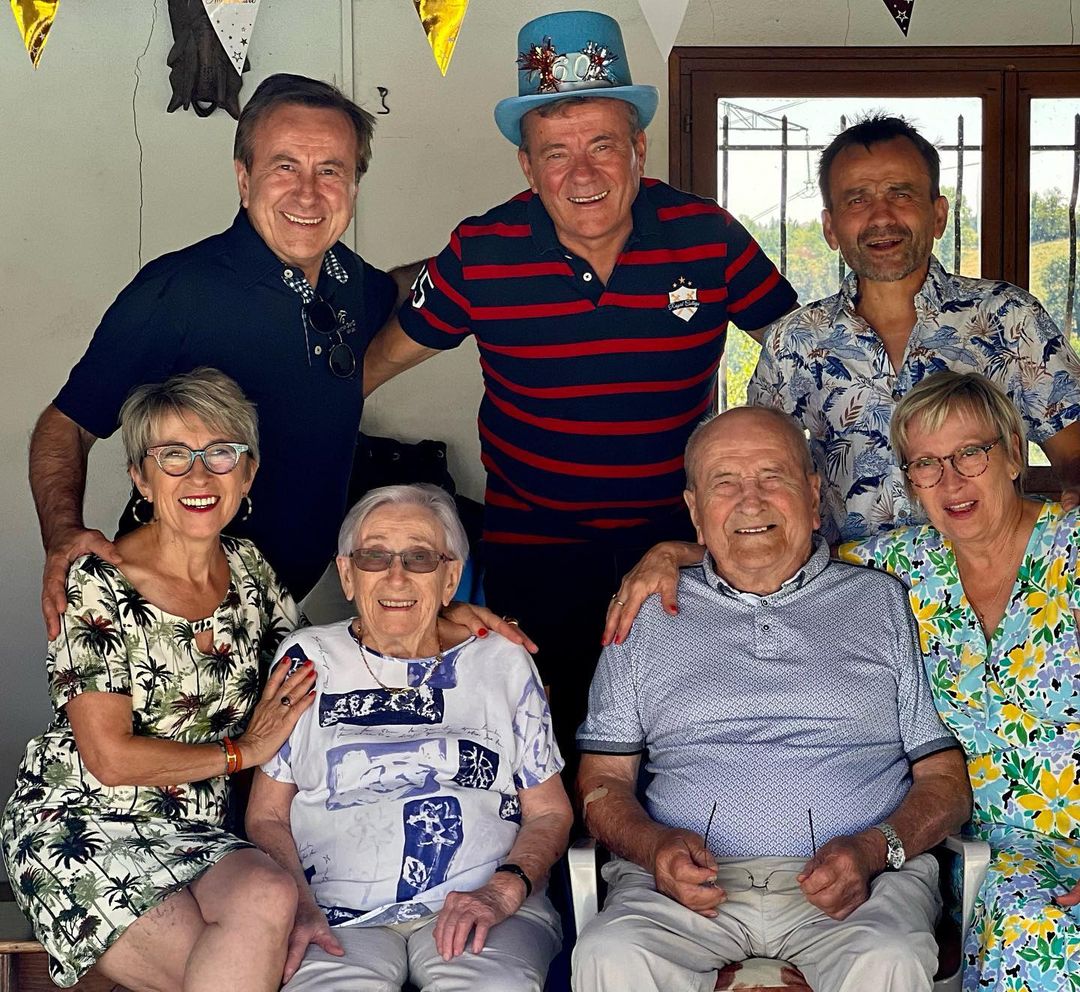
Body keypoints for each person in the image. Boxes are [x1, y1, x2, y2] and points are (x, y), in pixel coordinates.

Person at [363, 11, 797, 762]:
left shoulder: (708, 236)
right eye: (555, 153)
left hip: (678, 543)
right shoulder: (483, 251)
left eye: (602, 145)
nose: (582, 174)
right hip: (537, 548)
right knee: (550, 745)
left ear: (639, 148)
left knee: (682, 744)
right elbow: (374, 367)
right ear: (527, 167)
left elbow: (810, 357)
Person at [571, 405, 972, 992]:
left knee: (890, 956)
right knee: (610, 953)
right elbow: (603, 776)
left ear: (812, 497)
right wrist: (653, 847)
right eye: (725, 483)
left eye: (772, 477)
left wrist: (872, 850)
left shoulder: (883, 601)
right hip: (682, 893)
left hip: (861, 887)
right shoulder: (645, 614)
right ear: (695, 512)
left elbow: (945, 780)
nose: (751, 501)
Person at [2, 368, 317, 991]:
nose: (199, 477)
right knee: (240, 969)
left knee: (269, 892)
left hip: (200, 830)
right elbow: (110, 758)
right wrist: (244, 751)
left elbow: (323, 664)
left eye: (221, 453)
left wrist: (441, 623)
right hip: (81, 824)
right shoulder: (98, 581)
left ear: (248, 473)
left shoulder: (250, 571)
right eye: (173, 455)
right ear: (141, 479)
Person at [245, 483, 572, 992]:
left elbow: (550, 812)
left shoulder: (502, 662)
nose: (396, 576)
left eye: (419, 558)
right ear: (347, 575)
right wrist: (300, 907)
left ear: (450, 578)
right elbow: (266, 815)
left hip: (482, 903)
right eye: (374, 556)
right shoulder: (308, 659)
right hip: (333, 915)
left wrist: (502, 891)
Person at [838, 371, 1080, 992]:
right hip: (980, 854)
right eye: (926, 464)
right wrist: (671, 556)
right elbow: (774, 557)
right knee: (1032, 924)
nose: (951, 481)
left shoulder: (1073, 547)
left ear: (1013, 453)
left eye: (971, 452)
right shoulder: (897, 567)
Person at [747, 114, 1080, 544]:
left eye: (900, 194)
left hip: (989, 576)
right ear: (830, 228)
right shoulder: (794, 341)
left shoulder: (1008, 317)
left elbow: (1074, 450)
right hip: (847, 580)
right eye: (857, 200)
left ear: (938, 215)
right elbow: (760, 474)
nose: (881, 216)